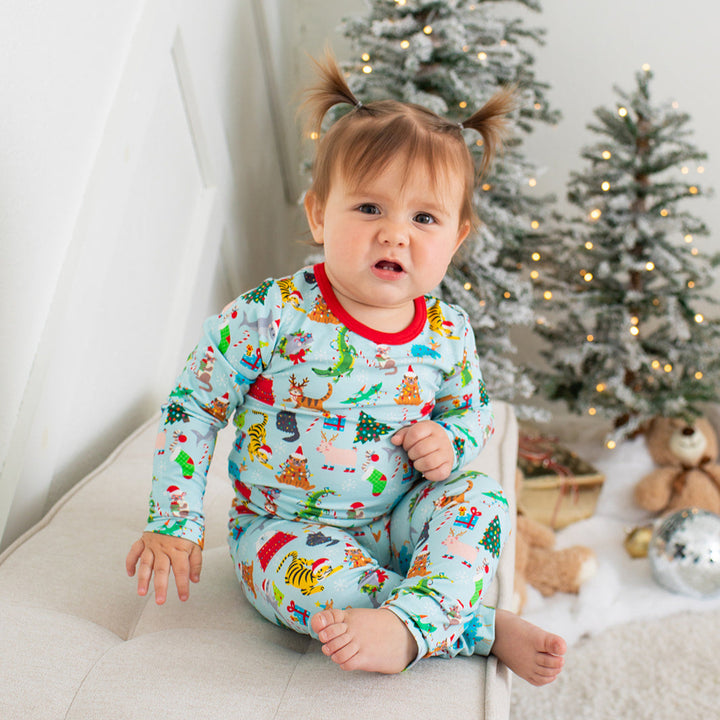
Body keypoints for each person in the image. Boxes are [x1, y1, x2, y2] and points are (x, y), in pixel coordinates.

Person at [126, 50, 566, 685]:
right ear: (317, 214)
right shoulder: (268, 314)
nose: (395, 234)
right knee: (305, 583)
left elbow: (470, 414)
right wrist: (174, 520)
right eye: (368, 209)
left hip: (400, 516)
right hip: (284, 528)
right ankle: (473, 627)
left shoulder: (447, 332)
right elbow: (193, 407)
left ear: (456, 238)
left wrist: (450, 441)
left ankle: (414, 620)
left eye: (423, 218)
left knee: (483, 499)